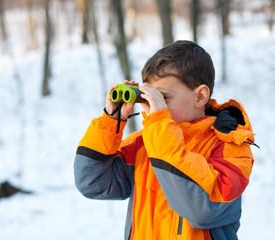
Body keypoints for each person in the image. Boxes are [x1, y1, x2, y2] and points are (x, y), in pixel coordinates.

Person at [74, 40, 256, 240]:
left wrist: (160, 127)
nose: (153, 105)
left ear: (200, 96)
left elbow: (201, 209)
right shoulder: (144, 143)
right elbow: (92, 182)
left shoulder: (229, 147)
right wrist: (111, 121)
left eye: (163, 98)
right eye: (149, 97)